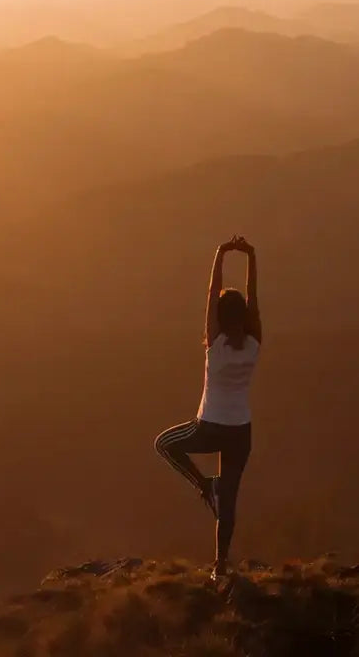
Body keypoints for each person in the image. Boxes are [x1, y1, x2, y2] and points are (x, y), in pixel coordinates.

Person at [154, 235, 261, 580]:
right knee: (228, 502)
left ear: (218, 315)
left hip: (209, 426)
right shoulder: (254, 342)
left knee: (164, 444)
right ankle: (220, 567)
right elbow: (253, 297)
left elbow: (211, 292)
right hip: (240, 432)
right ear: (244, 315)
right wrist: (251, 257)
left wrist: (221, 253)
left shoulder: (214, 344)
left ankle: (203, 486)